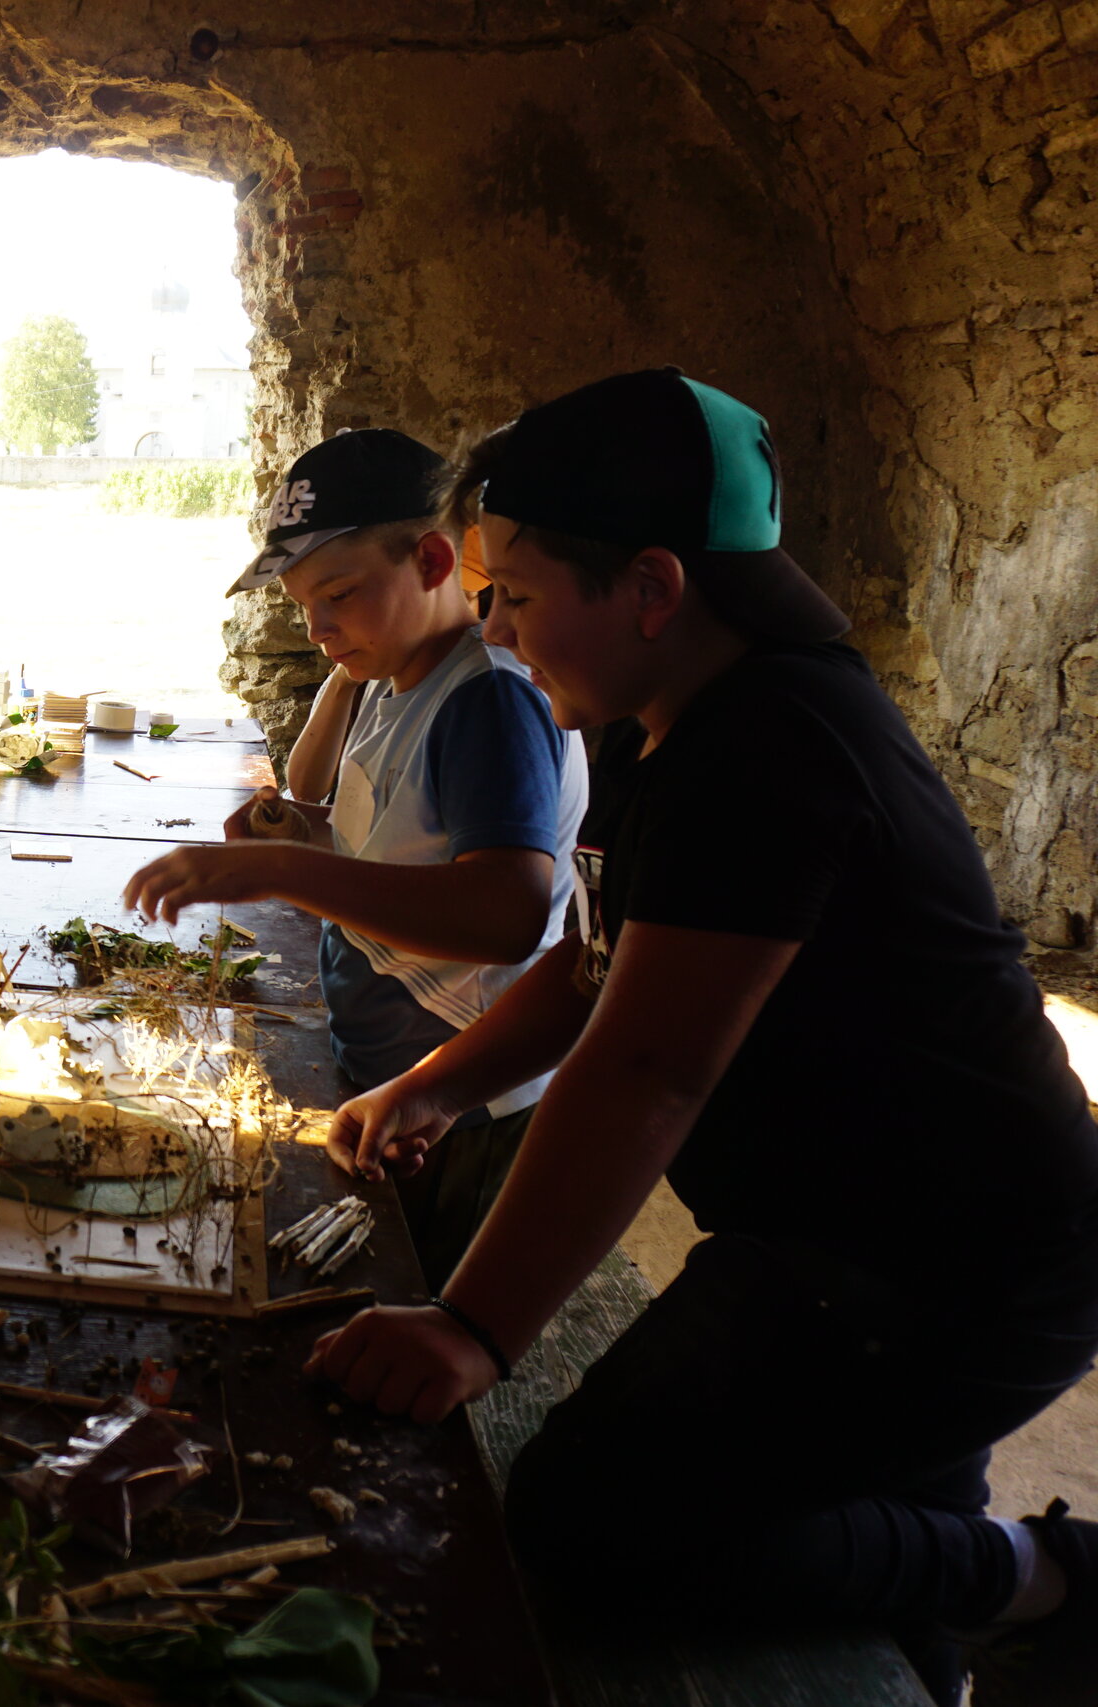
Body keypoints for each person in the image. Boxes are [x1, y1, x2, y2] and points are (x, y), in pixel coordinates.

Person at [302, 370, 1098, 1702]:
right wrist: (438, 1083)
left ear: (653, 588)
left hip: (948, 1269)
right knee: (870, 1508)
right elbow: (592, 968)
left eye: (517, 594)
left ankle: (1045, 1577)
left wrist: (471, 1324)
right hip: (842, 1232)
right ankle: (965, 1630)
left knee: (584, 1520)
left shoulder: (770, 747)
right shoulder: (658, 719)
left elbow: (646, 1069)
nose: (496, 627)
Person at [125, 429, 588, 1285]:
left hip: (460, 1102)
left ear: (433, 561)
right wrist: (301, 834)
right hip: (388, 1072)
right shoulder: (398, 675)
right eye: (305, 604)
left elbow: (506, 911)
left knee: (411, 1295)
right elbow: (391, 845)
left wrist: (280, 872)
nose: (318, 627)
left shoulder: (489, 700)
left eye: (339, 593)